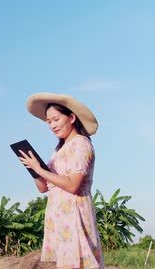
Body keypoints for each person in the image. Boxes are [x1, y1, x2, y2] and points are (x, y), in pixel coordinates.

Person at [18, 92, 104, 269]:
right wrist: (32, 169)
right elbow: (43, 188)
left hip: (75, 213)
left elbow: (73, 185)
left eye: (56, 119)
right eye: (49, 122)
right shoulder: (58, 151)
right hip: (59, 216)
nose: (52, 125)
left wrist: (39, 169)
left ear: (71, 118)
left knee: (81, 263)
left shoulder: (81, 144)